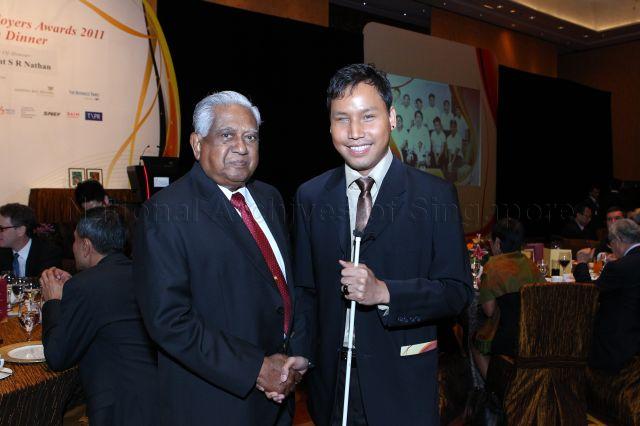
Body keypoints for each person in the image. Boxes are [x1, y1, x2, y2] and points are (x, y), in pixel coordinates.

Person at [288, 64, 472, 425]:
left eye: (367, 116)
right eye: (342, 119)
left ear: (392, 118)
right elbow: (305, 291)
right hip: (331, 388)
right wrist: (301, 354)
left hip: (403, 385)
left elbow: (456, 292)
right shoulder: (310, 196)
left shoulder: (435, 196)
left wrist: (385, 292)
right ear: (329, 126)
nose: (355, 133)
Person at [133, 91, 300, 425]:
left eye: (250, 136)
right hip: (216, 403)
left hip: (279, 396)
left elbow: (284, 286)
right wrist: (256, 368)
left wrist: (298, 357)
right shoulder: (165, 214)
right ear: (197, 145)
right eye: (227, 135)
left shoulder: (269, 198)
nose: (241, 146)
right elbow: (169, 320)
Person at [40, 207, 157, 425]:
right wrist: (74, 286)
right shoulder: (143, 271)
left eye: (74, 241)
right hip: (159, 394)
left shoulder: (86, 285)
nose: (72, 247)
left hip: (120, 406)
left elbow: (57, 357)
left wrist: (53, 301)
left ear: (86, 245)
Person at [472, 218, 544, 378]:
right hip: (533, 335)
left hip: (506, 338)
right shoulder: (531, 265)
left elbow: (489, 311)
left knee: (476, 345)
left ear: (497, 243)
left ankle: (496, 389)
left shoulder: (493, 265)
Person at [575, 219, 640, 373]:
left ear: (619, 240)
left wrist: (582, 264)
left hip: (620, 343)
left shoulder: (619, 267)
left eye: (610, 242)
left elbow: (589, 293)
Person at [0, 203, 62, 277]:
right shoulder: (2, 252)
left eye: (1, 229)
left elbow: (41, 285)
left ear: (21, 230)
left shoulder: (49, 253)